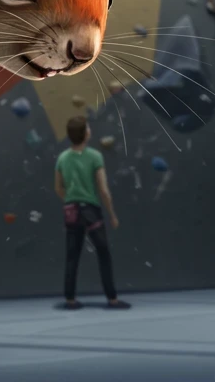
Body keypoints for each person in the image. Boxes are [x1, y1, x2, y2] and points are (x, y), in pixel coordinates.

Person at [54, 116, 130, 310]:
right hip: (91, 210)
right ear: (86, 133)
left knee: (72, 254)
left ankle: (70, 299)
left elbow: (58, 188)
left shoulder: (62, 158)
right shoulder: (95, 156)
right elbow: (103, 189)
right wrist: (112, 213)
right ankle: (112, 298)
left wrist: (70, 199)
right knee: (103, 252)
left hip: (71, 210)